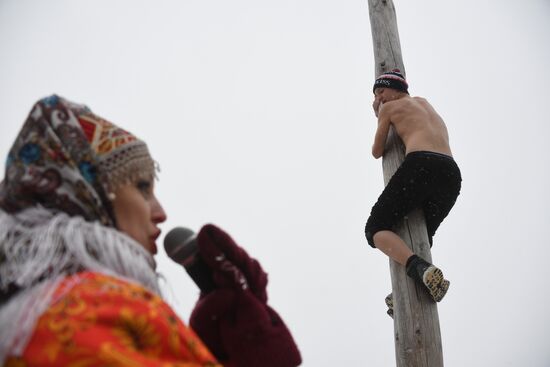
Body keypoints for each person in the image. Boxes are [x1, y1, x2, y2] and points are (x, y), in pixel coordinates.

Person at [0, 95, 301, 366]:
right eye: (142, 187)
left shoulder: (35, 315)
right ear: (84, 193)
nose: (160, 213)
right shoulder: (90, 307)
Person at [364, 70, 462, 314]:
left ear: (395, 89)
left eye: (381, 92)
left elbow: (377, 151)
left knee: (375, 229)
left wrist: (379, 115)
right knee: (422, 237)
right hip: (450, 174)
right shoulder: (424, 103)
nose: (379, 99)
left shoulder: (388, 109)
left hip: (422, 164)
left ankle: (417, 269)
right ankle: (408, 286)